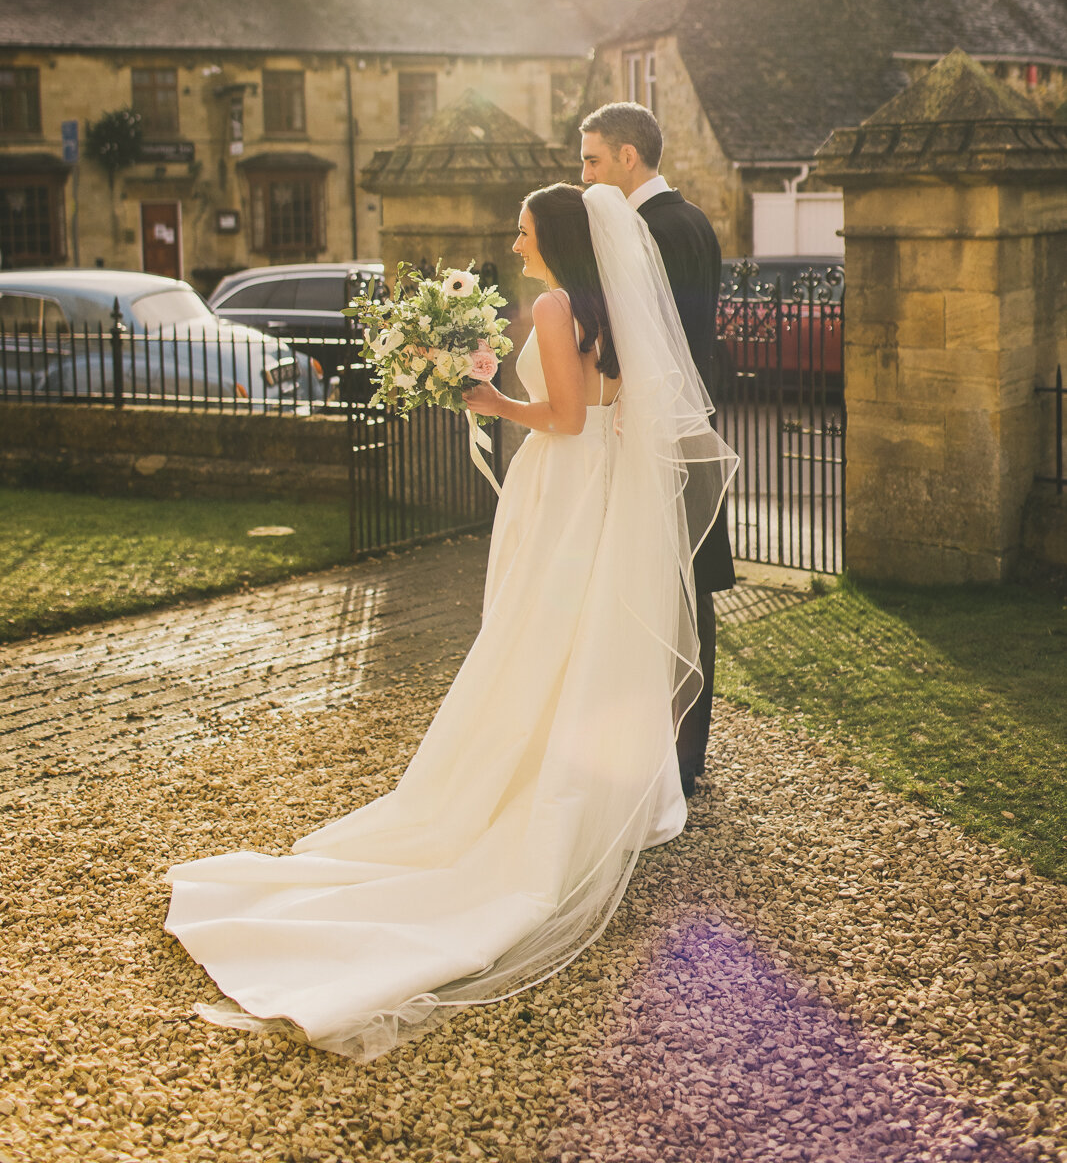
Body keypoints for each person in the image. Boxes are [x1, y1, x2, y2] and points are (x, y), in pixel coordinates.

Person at [164, 183, 736, 1063]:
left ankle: (521, 793)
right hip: (602, 494)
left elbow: (567, 418)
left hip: (560, 484)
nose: (515, 244)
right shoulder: (610, 307)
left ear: (556, 240)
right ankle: (602, 786)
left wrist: (490, 402)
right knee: (581, 635)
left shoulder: (552, 305)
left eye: (524, 230)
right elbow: (615, 404)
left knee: (534, 634)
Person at [579, 103, 736, 798]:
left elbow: (647, 345)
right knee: (688, 587)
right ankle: (683, 748)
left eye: (590, 159)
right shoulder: (694, 220)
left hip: (660, 432)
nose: (583, 173)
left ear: (627, 158)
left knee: (664, 586)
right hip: (689, 422)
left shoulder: (647, 229)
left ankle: (670, 756)